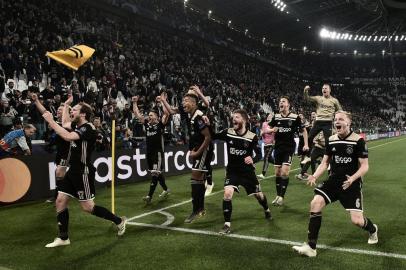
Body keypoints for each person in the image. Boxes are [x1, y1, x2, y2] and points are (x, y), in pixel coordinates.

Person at [292, 111, 378, 257]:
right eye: (335, 119)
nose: (337, 122)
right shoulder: (331, 139)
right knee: (315, 203)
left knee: (357, 221)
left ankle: (373, 229)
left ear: (348, 123)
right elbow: (325, 162)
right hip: (333, 181)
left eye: (341, 119)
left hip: (351, 184)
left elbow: (365, 166)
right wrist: (315, 175)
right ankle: (311, 247)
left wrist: (352, 178)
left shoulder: (358, 140)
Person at [41, 101, 126, 248]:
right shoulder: (77, 125)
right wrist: (67, 105)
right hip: (72, 170)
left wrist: (50, 121)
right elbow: (66, 123)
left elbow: (67, 136)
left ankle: (119, 221)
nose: (72, 112)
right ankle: (63, 238)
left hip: (83, 172)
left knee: (88, 207)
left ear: (83, 114)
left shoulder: (88, 128)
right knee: (60, 200)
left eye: (75, 110)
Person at [214, 109, 272, 234]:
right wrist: (206, 123)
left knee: (259, 195)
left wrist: (253, 159)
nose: (234, 119)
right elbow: (213, 135)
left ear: (244, 120)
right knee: (227, 194)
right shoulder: (228, 132)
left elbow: (258, 155)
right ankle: (227, 224)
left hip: (247, 172)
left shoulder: (252, 137)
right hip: (232, 171)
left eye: (237, 117)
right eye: (233, 117)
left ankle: (266, 209)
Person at [268, 97, 309, 206]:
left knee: (285, 172)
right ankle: (278, 195)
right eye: (279, 101)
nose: (280, 103)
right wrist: (272, 130)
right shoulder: (276, 117)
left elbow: (303, 130)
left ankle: (281, 196)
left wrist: (306, 144)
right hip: (278, 148)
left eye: (283, 101)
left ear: (288, 105)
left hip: (289, 147)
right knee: (277, 173)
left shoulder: (295, 117)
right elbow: (267, 129)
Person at [32, 93, 71, 202]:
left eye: (61, 110)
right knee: (59, 175)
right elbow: (44, 112)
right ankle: (59, 195)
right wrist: (36, 101)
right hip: (60, 151)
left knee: (60, 173)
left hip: (69, 152)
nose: (59, 111)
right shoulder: (54, 121)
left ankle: (59, 196)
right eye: (58, 109)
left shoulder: (69, 123)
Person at [132, 95, 170, 204]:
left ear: (157, 117)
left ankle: (149, 196)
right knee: (157, 174)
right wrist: (134, 103)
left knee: (154, 174)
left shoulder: (160, 125)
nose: (149, 116)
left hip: (157, 153)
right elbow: (137, 114)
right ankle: (166, 190)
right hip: (149, 153)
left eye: (151, 115)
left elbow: (167, 113)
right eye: (148, 115)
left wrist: (163, 101)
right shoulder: (147, 125)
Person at [182, 91, 213, 223]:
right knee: (198, 179)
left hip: (203, 150)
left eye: (187, 100)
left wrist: (196, 153)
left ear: (194, 103)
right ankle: (200, 208)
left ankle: (196, 210)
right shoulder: (192, 116)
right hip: (198, 149)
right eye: (183, 100)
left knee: (195, 176)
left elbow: (207, 137)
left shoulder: (199, 117)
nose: (184, 103)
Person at [257, 113, 275, 179]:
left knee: (266, 158)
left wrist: (268, 130)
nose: (269, 117)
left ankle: (263, 174)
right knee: (270, 159)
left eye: (271, 116)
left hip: (271, 143)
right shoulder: (264, 123)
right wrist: (264, 132)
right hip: (265, 143)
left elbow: (271, 130)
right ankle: (279, 165)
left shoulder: (273, 124)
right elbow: (263, 131)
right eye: (268, 116)